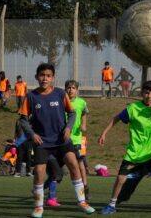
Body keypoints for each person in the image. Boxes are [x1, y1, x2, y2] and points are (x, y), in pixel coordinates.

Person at [18, 63, 95, 217]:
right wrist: (32, 134)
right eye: (42, 75)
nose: (44, 78)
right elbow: (23, 120)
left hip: (61, 140)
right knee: (39, 173)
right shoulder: (30, 97)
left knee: (74, 165)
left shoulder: (60, 94)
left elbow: (72, 114)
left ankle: (82, 201)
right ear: (36, 77)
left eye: (48, 76)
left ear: (53, 78)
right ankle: (39, 207)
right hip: (42, 142)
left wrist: (68, 128)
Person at [98, 81, 151, 215]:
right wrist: (104, 133)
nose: (149, 96)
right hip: (135, 154)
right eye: (146, 93)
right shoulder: (133, 108)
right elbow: (116, 118)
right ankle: (111, 205)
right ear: (141, 93)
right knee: (121, 179)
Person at [65, 80, 91, 200]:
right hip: (64, 138)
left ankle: (85, 187)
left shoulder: (81, 102)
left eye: (73, 88)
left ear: (77, 90)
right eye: (69, 88)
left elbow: (84, 113)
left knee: (80, 163)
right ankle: (51, 192)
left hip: (77, 138)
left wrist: (84, 124)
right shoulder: (62, 101)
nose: (71, 90)